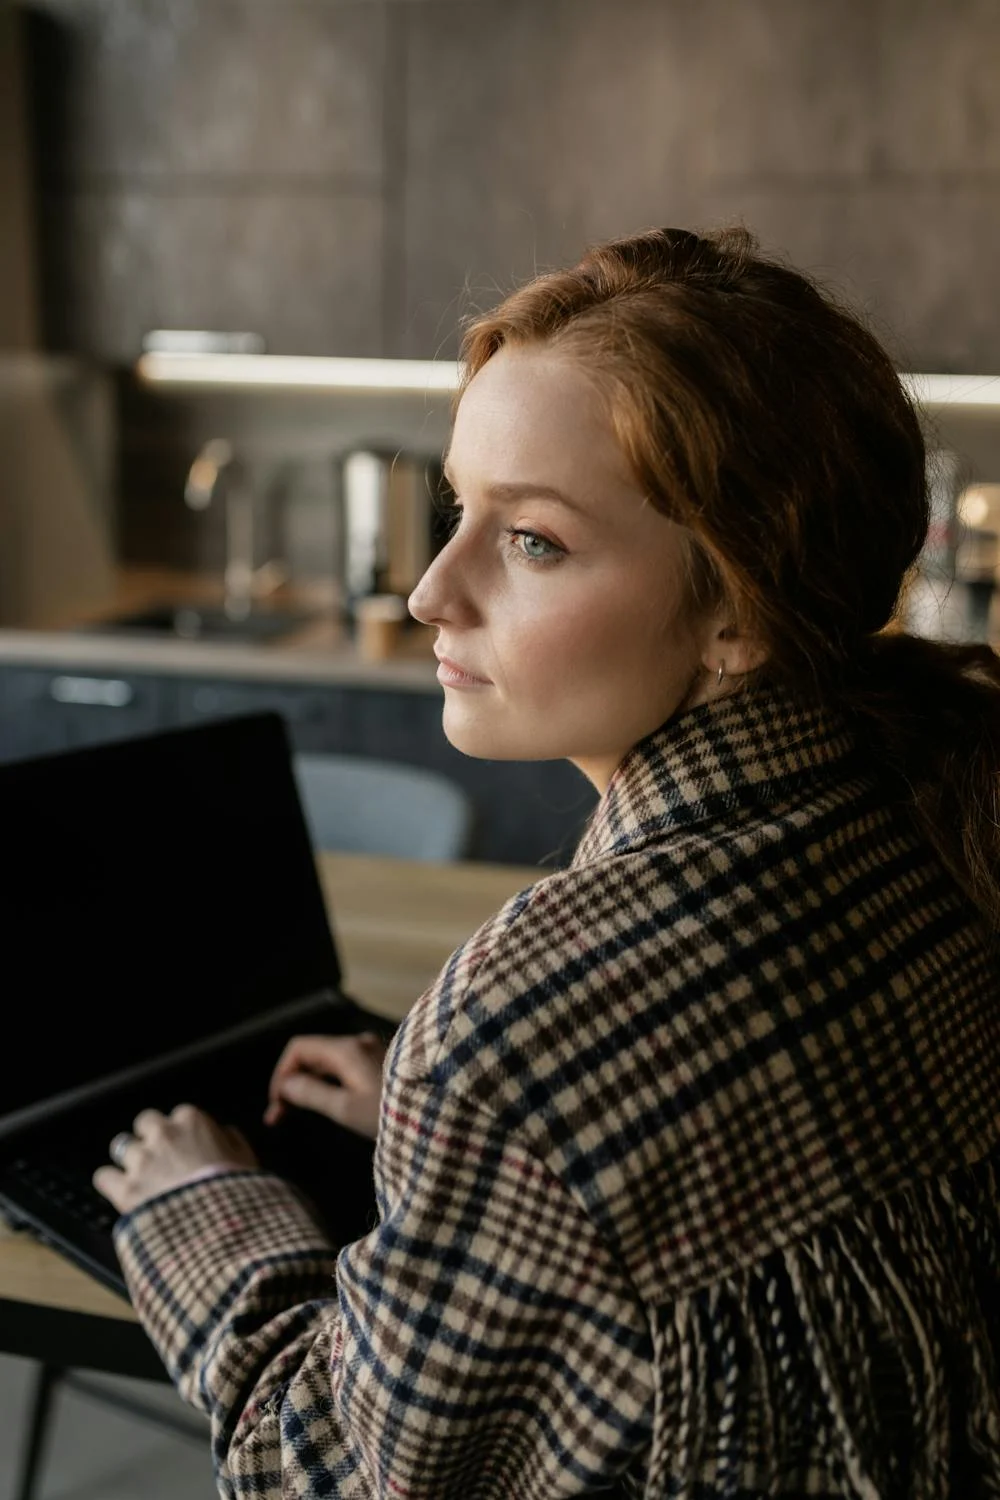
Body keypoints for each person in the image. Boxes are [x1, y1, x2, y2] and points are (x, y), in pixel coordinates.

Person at [94, 226, 1000, 1499]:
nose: (428, 593)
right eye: (460, 510)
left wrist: (204, 1211)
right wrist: (496, 1166)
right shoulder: (923, 807)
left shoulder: (515, 1042)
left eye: (534, 542)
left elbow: (327, 1479)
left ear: (735, 609)